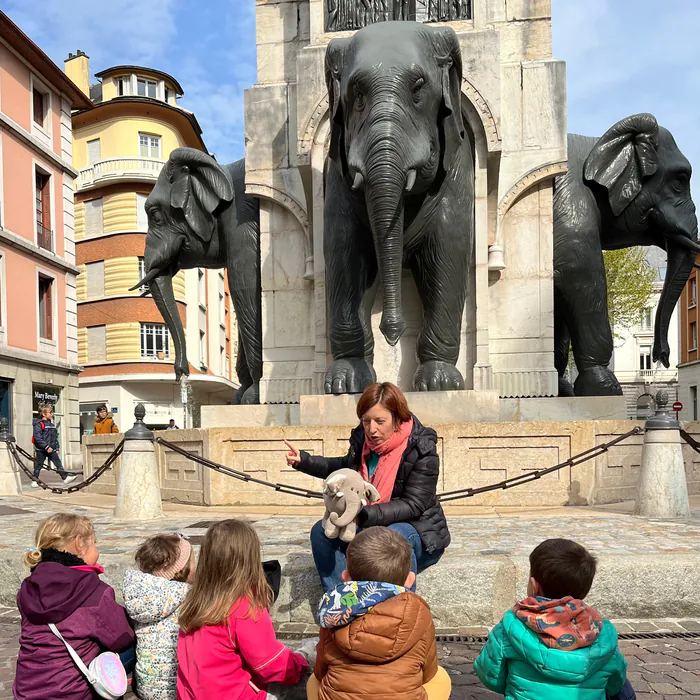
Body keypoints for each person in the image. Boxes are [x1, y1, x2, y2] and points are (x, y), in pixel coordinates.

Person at [285, 381, 450, 592]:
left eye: (380, 421)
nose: (372, 430)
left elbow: (414, 504)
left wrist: (364, 515)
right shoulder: (362, 443)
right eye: (366, 421)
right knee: (321, 531)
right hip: (368, 524)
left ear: (398, 418)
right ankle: (342, 603)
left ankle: (399, 611)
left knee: (394, 536)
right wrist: (304, 461)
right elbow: (343, 468)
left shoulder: (421, 448)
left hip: (418, 531)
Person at [474, 538, 634, 700]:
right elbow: (615, 683)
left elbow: (491, 676)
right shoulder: (602, 631)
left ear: (533, 585)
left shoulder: (511, 624)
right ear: (584, 590)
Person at [309, 526, 451, 700]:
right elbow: (428, 672)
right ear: (410, 580)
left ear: (345, 577)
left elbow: (321, 671)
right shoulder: (419, 612)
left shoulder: (333, 611)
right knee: (441, 677)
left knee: (312, 681)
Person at [176, 519, 308, 699]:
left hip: (193, 695)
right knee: (310, 678)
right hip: (237, 695)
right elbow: (270, 664)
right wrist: (302, 664)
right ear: (250, 560)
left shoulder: (195, 601)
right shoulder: (244, 607)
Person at [14, 513, 136, 700]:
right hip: (73, 693)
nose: (96, 550)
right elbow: (122, 637)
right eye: (94, 543)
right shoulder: (93, 591)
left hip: (27, 690)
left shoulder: (27, 587)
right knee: (137, 642)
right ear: (79, 543)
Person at [123, 533, 195, 700]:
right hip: (178, 687)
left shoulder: (140, 595)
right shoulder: (186, 597)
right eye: (192, 562)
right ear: (181, 569)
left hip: (146, 686)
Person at [31, 405, 77, 487]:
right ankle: (34, 480)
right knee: (38, 465)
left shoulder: (52, 425)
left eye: (52, 412)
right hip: (41, 450)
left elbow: (55, 437)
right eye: (50, 412)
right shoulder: (39, 424)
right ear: (43, 414)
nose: (52, 414)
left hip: (51, 449)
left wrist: (56, 447)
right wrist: (46, 447)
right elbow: (38, 438)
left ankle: (65, 477)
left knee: (58, 463)